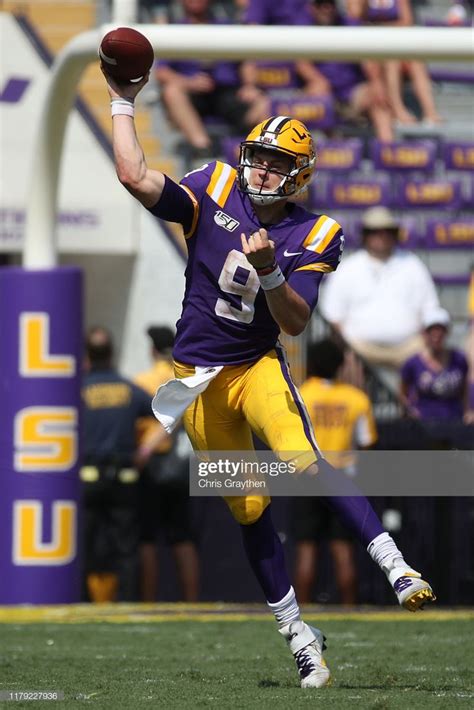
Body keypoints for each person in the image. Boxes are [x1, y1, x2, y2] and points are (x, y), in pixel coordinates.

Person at [103, 61, 435, 688]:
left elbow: (295, 323)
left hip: (254, 365)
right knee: (250, 505)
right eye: (257, 156)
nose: (260, 170)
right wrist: (122, 101)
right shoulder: (216, 183)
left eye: (276, 164)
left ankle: (396, 566)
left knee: (304, 460)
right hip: (197, 379)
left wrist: (273, 275)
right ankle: (299, 635)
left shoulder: (316, 230)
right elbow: (135, 175)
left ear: (299, 176)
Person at [291, 338, 378, 605]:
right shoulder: (357, 399)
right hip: (342, 477)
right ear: (340, 366)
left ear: (312, 363)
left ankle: (302, 614)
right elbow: (367, 443)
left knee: (306, 548)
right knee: (343, 548)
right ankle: (349, 609)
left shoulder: (300, 394)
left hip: (307, 475)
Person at [81, 327, 155, 602]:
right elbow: (166, 416)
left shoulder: (77, 390)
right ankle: (127, 601)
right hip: (125, 477)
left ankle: (82, 601)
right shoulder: (129, 389)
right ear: (112, 353)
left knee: (85, 544)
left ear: (87, 355)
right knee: (126, 547)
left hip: (86, 478)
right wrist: (145, 449)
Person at [320, 206, 440, 369]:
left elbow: (431, 309)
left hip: (407, 349)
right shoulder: (348, 268)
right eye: (374, 231)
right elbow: (333, 316)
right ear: (365, 235)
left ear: (394, 234)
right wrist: (347, 350)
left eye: (387, 231)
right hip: (359, 349)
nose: (381, 236)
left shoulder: (413, 265)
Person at [134, 325, 200, 602]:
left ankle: (148, 600)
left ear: (151, 350)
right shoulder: (182, 378)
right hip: (181, 466)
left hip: (149, 463)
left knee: (147, 539)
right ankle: (192, 600)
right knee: (182, 537)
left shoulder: (141, 381)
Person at [155, 0, 269, 155]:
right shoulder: (175, 30)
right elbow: (161, 72)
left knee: (263, 102)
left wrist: (249, 85)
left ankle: (263, 154)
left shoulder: (227, 27)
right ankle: (204, 149)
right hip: (193, 97)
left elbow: (246, 60)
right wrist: (189, 83)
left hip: (228, 92)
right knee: (172, 91)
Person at [295, 0, 395, 142]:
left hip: (351, 92)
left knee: (376, 94)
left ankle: (387, 151)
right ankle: (332, 150)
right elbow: (301, 64)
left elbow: (368, 59)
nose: (326, 8)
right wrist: (320, 81)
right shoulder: (303, 27)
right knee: (318, 90)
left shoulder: (350, 25)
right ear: (311, 7)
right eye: (320, 4)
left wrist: (377, 83)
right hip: (322, 94)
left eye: (330, 4)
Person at [400, 307, 474, 428]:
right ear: (424, 333)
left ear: (447, 332)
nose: (436, 334)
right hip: (425, 426)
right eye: (431, 330)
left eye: (441, 329)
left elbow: (464, 388)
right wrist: (410, 410)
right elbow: (403, 392)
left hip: (454, 422)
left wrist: (468, 410)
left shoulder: (459, 359)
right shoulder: (412, 363)